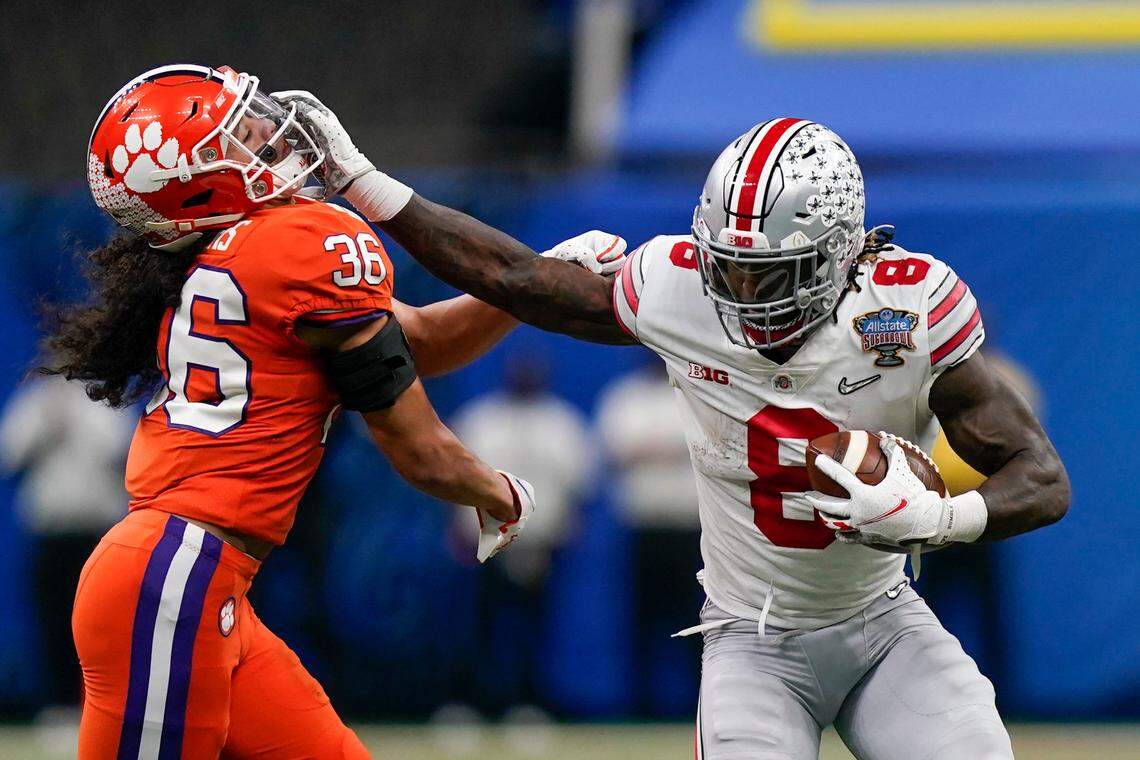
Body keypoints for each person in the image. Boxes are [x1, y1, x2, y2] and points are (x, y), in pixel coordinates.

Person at [290, 103, 1070, 759]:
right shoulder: (679, 286)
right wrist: (365, 182)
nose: (736, 290)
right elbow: (516, 281)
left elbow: (1040, 475)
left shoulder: (908, 311)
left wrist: (941, 519)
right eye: (726, 264)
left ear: (836, 255)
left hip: (883, 623)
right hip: (750, 642)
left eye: (764, 274)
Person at [51, 64, 618, 760]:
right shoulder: (302, 243)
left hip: (191, 579)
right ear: (197, 182)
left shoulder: (236, 259)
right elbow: (419, 449)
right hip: (176, 579)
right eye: (246, 137)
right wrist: (499, 493)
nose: (271, 137)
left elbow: (423, 343)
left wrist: (537, 277)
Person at [451, 354, 594, 713]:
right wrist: (457, 530)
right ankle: (475, 703)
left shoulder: (561, 423)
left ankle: (530, 702)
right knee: (481, 625)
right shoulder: (480, 419)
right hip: (486, 541)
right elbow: (453, 480)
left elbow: (579, 485)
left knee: (536, 626)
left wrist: (566, 531)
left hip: (541, 543)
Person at [0, 376, 133, 719]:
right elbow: (10, 453)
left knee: (98, 626)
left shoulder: (105, 399)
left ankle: (98, 707)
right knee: (53, 618)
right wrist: (46, 418)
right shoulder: (38, 399)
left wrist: (77, 415)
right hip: (51, 531)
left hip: (96, 534)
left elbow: (115, 450)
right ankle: (60, 706)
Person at [595, 355, 701, 717]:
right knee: (642, 619)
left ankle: (703, 702)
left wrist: (652, 449)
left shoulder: (696, 394)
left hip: (693, 531)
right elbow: (617, 449)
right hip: (645, 528)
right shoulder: (625, 397)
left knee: (698, 619)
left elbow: (710, 445)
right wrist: (673, 448)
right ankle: (639, 705)